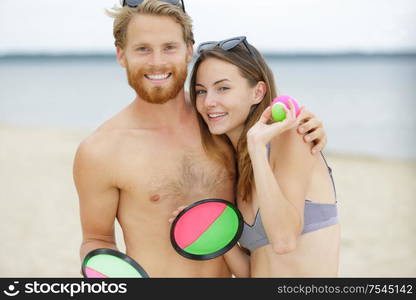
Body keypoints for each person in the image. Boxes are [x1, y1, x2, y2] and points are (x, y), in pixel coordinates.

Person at [73, 0, 328, 277]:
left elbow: (264, 118)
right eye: (143, 49)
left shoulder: (220, 125)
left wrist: (306, 126)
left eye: (169, 47)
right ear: (122, 55)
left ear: (188, 50)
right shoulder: (100, 151)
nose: (157, 62)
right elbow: (97, 241)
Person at [171, 36, 340, 277]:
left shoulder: (292, 137)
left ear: (258, 92)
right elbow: (254, 272)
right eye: (201, 91)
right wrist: (212, 232)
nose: (209, 102)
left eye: (223, 88)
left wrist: (257, 147)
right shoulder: (240, 164)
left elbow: (284, 241)